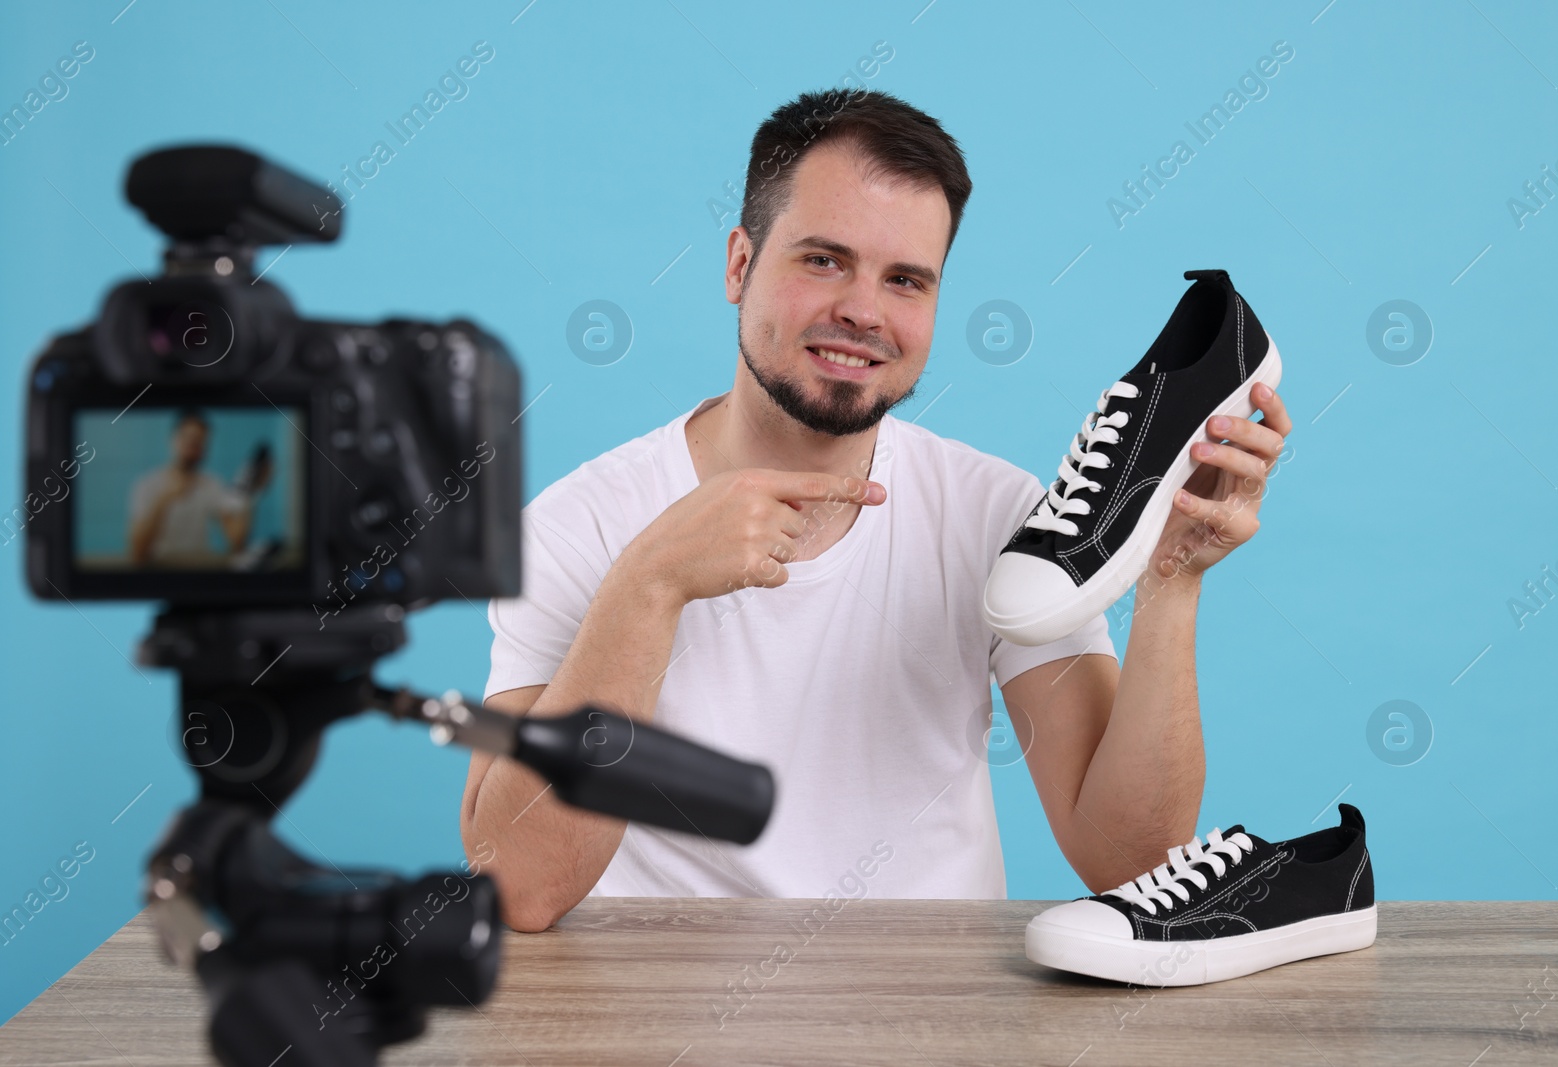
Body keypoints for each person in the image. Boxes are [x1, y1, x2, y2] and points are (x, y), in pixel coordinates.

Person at [461, 90, 1293, 932]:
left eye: (905, 280)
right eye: (824, 260)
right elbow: (517, 888)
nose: (864, 310)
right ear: (738, 265)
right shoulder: (575, 526)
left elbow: (1132, 860)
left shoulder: (997, 516)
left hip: (929, 1014)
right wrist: (648, 583)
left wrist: (1171, 577)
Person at [127, 410, 255, 566]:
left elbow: (236, 541)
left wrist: (250, 494)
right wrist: (163, 501)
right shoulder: (147, 484)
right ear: (173, 440)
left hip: (198, 570)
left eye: (199, 442)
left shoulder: (212, 484)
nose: (192, 447)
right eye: (187, 439)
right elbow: (137, 552)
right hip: (159, 571)